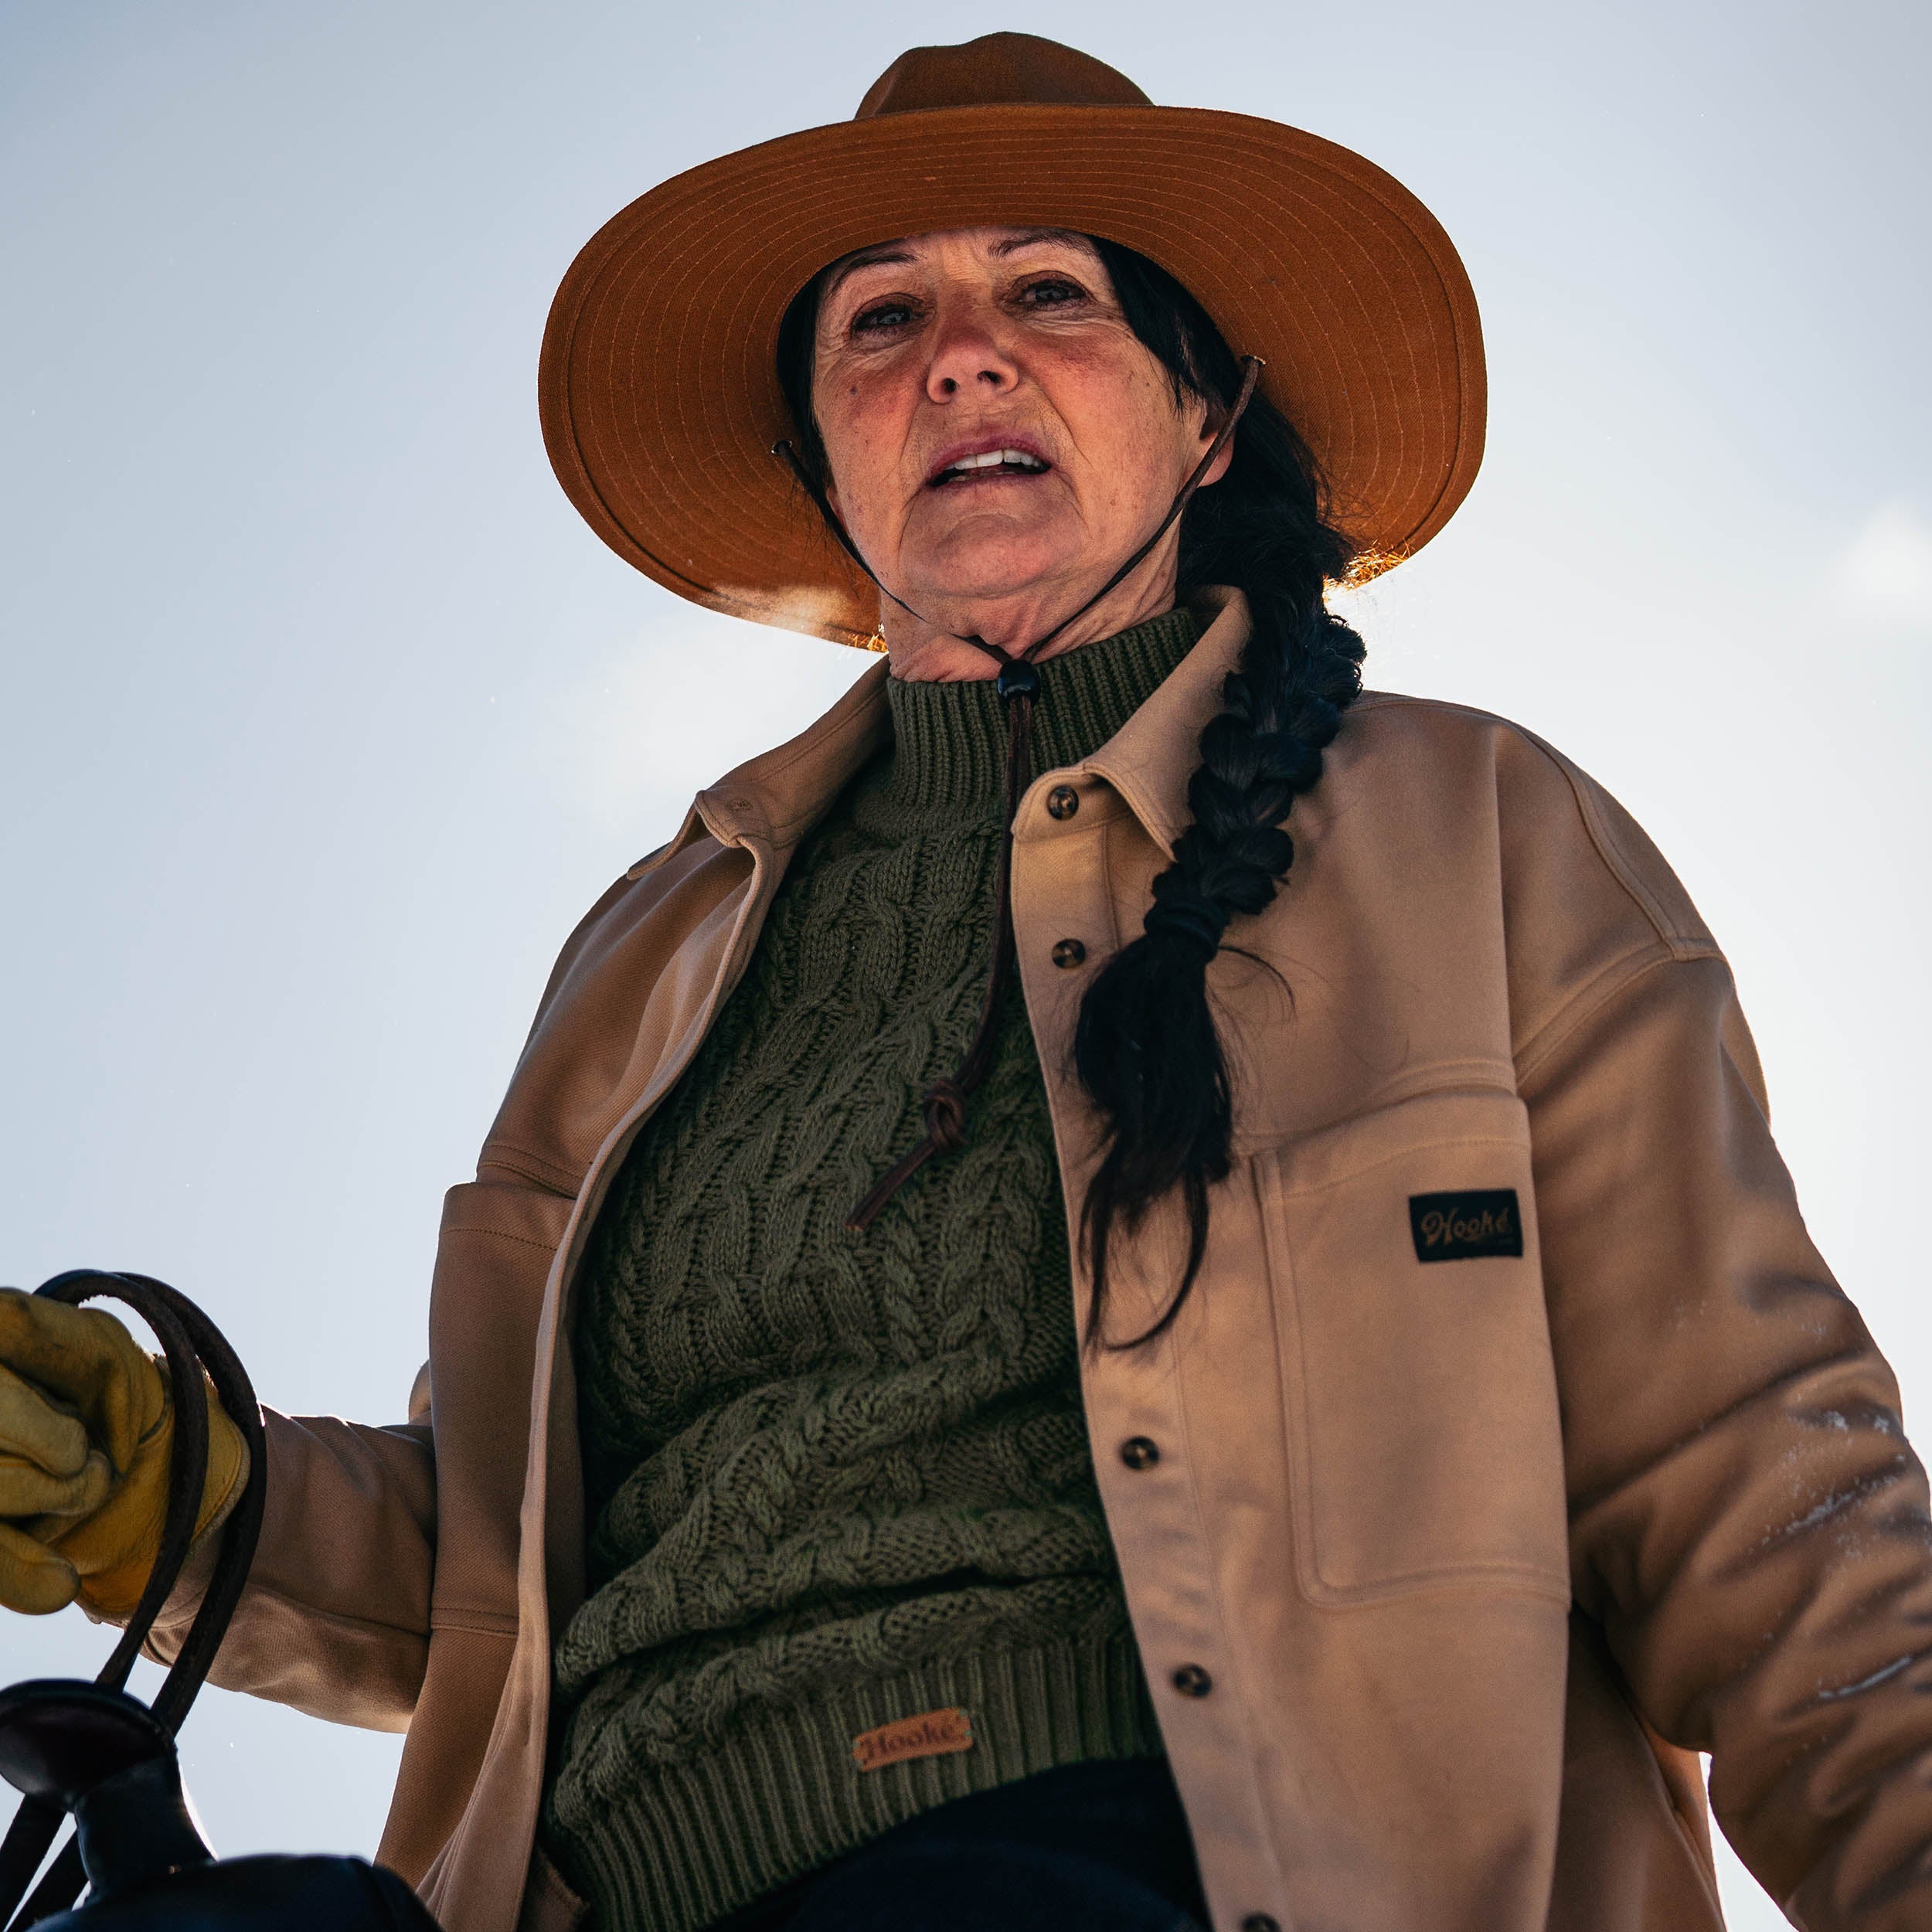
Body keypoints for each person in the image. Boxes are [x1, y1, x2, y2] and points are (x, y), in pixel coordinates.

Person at [3, 29, 1929, 1932]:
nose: (961, 353)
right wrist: (166, 1485)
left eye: (1049, 291)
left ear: (1206, 415)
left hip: (1119, 1872)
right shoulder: (645, 954)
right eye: (878, 320)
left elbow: (1753, 1485)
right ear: (820, 462)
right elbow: (511, 1569)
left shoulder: (1469, 828)